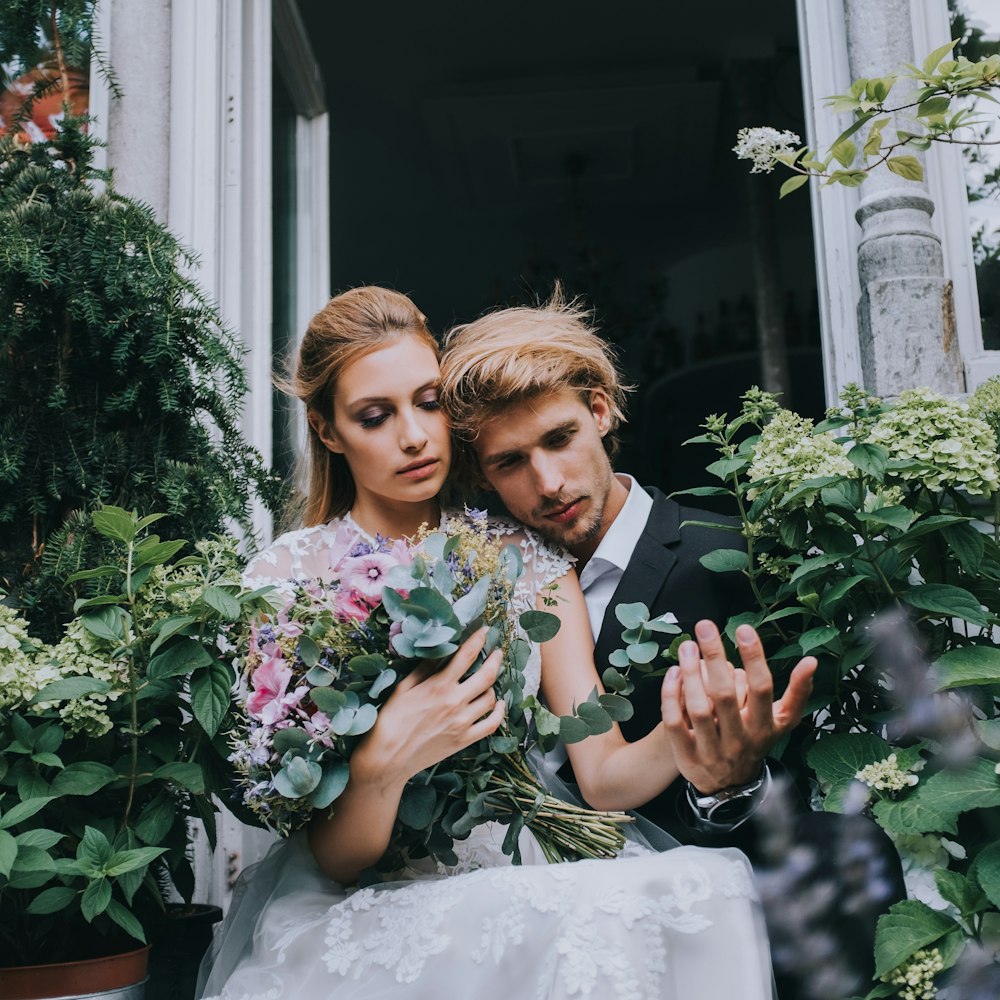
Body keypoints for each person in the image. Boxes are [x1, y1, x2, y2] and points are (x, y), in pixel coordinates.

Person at [197, 286, 779, 1000]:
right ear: (327, 431)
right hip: (372, 902)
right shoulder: (290, 582)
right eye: (375, 417)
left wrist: (693, 732)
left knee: (679, 900)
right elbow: (338, 861)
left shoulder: (528, 558)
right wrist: (382, 763)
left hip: (526, 867)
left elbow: (601, 775)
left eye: (429, 403)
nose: (412, 435)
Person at [438, 290, 908, 997]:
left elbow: (802, 766)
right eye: (511, 463)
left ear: (599, 411)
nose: (548, 483)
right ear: (483, 475)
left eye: (560, 438)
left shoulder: (728, 553)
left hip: (690, 884)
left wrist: (729, 786)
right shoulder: (475, 579)